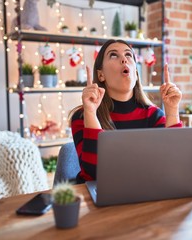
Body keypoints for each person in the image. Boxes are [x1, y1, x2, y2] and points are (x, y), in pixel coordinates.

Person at [69, 39, 182, 184]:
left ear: (135, 72)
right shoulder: (82, 117)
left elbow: (175, 164)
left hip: (145, 193)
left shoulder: (154, 115)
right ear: (101, 75)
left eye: (128, 55)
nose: (124, 59)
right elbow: (94, 173)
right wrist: (91, 112)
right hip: (98, 198)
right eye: (114, 55)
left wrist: (172, 110)